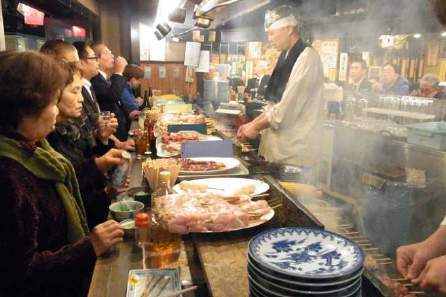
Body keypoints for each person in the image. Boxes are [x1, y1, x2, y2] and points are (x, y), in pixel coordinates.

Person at [0, 50, 123, 297]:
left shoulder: (33, 147)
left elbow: (61, 184)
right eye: (52, 102)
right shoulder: (8, 177)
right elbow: (17, 276)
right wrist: (89, 247)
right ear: (26, 108)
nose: (55, 112)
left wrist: (103, 184)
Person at [237, 5, 324, 170]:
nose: (269, 38)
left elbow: (284, 111)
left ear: (289, 29)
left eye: (272, 32)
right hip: (277, 153)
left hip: (293, 158)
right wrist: (251, 124)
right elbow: (273, 105)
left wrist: (254, 126)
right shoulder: (286, 55)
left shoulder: (306, 58)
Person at [46, 62, 124, 228]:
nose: (81, 98)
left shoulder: (69, 127)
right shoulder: (49, 139)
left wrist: (103, 140)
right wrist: (98, 167)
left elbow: (85, 167)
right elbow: (63, 192)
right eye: (75, 91)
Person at [91, 42, 130, 142]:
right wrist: (118, 71)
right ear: (97, 59)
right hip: (109, 135)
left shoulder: (104, 78)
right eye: (106, 53)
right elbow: (113, 96)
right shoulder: (94, 79)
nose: (112, 55)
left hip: (115, 134)